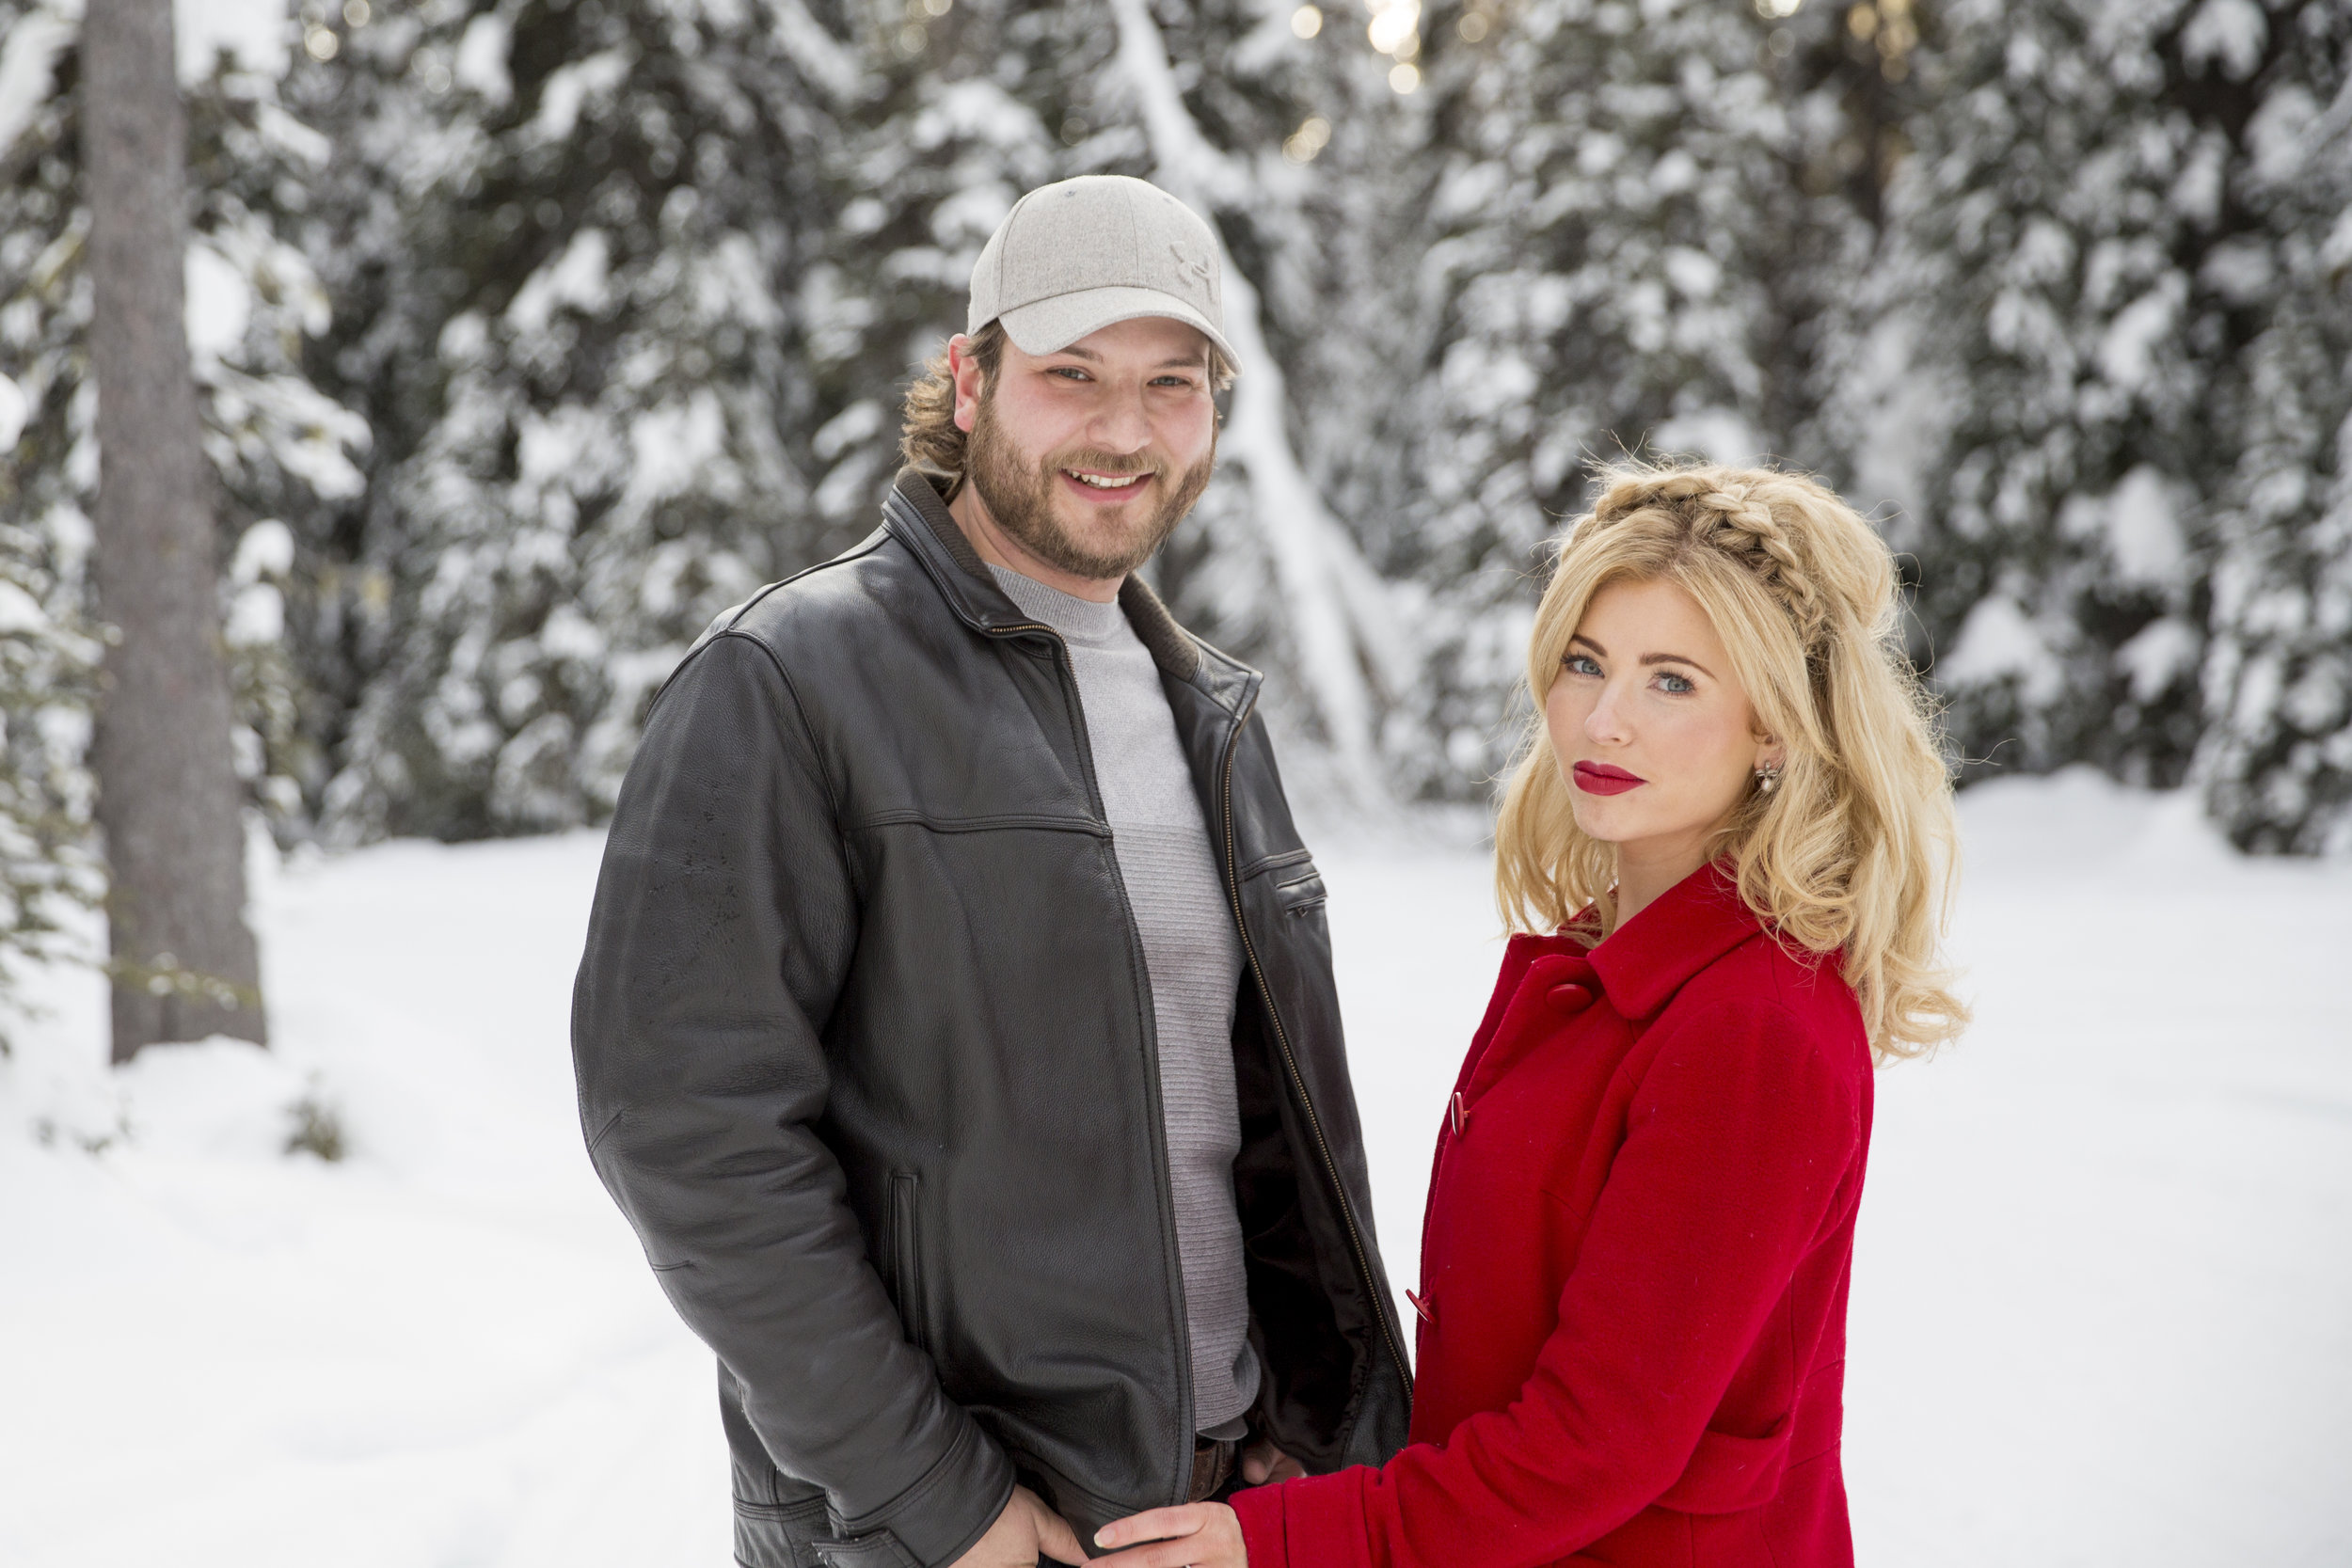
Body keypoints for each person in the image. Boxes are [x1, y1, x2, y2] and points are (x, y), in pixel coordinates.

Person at [570, 174, 1410, 1568]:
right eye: (1071, 374)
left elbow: (1248, 1127)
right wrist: (938, 1493)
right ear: (969, 381)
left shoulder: (1210, 711)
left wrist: (1296, 1426)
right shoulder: (790, 680)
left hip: (1207, 1509)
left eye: (1171, 383)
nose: (1124, 430)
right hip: (944, 1530)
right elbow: (684, 1128)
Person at [1093, 461, 1969, 1568]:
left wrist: (1284, 1539)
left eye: (1673, 681)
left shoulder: (1752, 1023)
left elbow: (1597, 1443)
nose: (1603, 719)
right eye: (1585, 662)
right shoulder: (1597, 964)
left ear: (1776, 732)